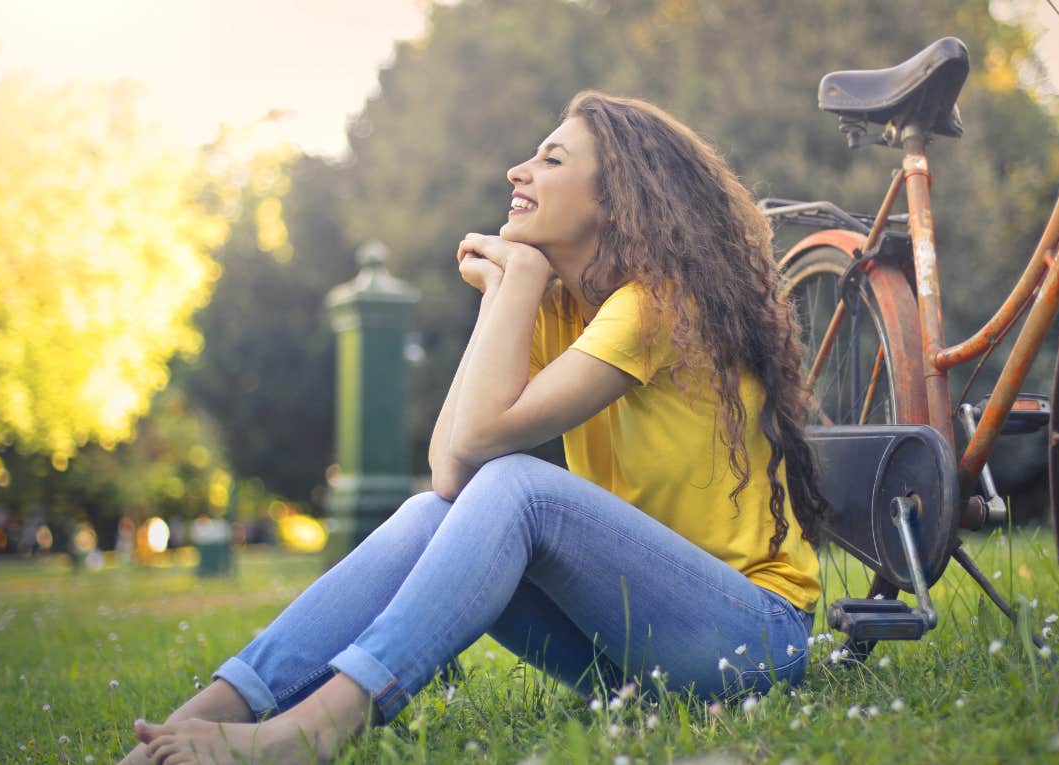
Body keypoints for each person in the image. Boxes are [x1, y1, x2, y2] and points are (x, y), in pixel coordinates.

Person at [124, 91, 827, 765]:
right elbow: (450, 473)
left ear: (618, 199)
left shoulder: (656, 306)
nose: (519, 171)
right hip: (633, 656)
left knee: (522, 485)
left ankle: (316, 728)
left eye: (552, 160)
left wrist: (514, 278)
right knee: (436, 511)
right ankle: (197, 719)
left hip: (750, 640)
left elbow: (488, 447)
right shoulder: (560, 309)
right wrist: (511, 289)